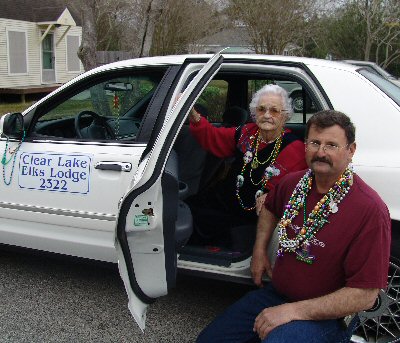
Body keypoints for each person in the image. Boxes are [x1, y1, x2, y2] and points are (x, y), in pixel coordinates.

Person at [196, 110, 391, 342]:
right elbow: (269, 207)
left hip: (328, 316)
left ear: (351, 150)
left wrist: (292, 312)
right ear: (305, 145)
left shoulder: (369, 210)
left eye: (331, 145)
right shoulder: (293, 183)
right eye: (315, 143)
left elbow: (365, 296)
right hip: (276, 295)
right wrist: (259, 251)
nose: (321, 152)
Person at [187, 84, 307, 249]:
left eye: (274, 111)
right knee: (187, 207)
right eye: (261, 109)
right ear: (254, 112)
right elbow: (215, 137)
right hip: (225, 204)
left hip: (253, 219)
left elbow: (294, 191)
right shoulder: (247, 133)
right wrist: (194, 117)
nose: (266, 115)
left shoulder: (295, 148)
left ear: (285, 115)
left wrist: (272, 196)